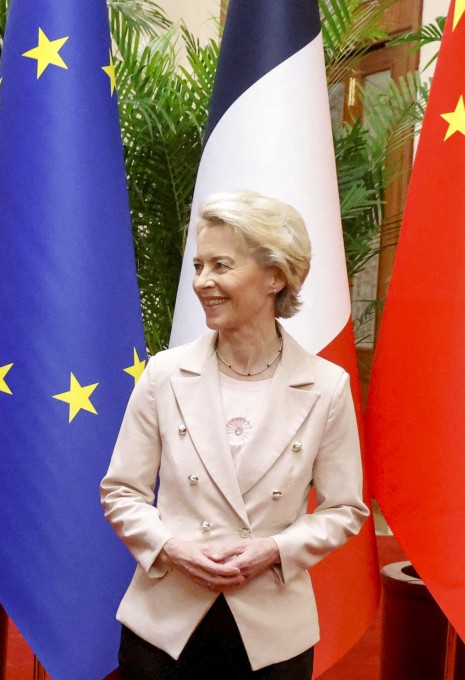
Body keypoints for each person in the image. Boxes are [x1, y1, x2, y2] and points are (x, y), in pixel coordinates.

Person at [101, 191, 369, 679]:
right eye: (199, 266)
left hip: (270, 636)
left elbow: (343, 510)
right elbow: (122, 492)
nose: (203, 282)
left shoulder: (327, 387)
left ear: (275, 276)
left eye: (220, 265)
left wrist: (274, 550)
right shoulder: (164, 375)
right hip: (163, 630)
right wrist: (173, 548)